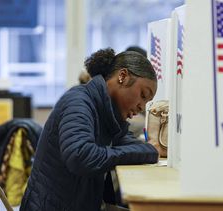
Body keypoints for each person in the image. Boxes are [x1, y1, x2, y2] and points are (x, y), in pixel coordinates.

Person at [20, 48, 159, 211]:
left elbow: (131, 144)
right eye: (143, 95)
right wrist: (147, 151)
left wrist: (151, 151)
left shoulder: (108, 112)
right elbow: (80, 157)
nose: (142, 107)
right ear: (122, 76)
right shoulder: (78, 102)